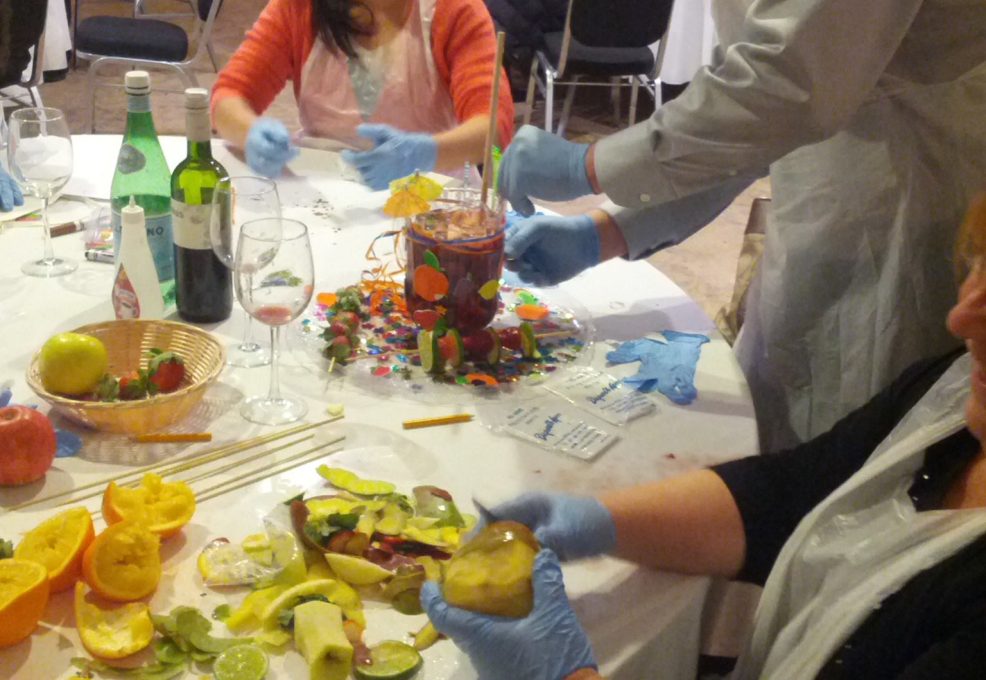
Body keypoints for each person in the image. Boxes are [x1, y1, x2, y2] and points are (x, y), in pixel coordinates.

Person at [421, 196, 986, 680]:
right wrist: (596, 521)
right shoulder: (948, 393)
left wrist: (564, 672)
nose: (961, 318)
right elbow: (793, 494)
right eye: (980, 265)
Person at [497, 0, 986, 452]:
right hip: (825, 201)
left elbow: (784, 88)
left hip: (909, 199)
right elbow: (740, 116)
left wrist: (591, 165)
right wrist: (606, 231)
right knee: (777, 412)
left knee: (843, 450)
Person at [210, 0, 514, 189]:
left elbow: (493, 130)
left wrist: (423, 153)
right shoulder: (300, 7)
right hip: (322, 186)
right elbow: (230, 95)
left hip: (432, 193)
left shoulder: (454, 10)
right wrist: (250, 132)